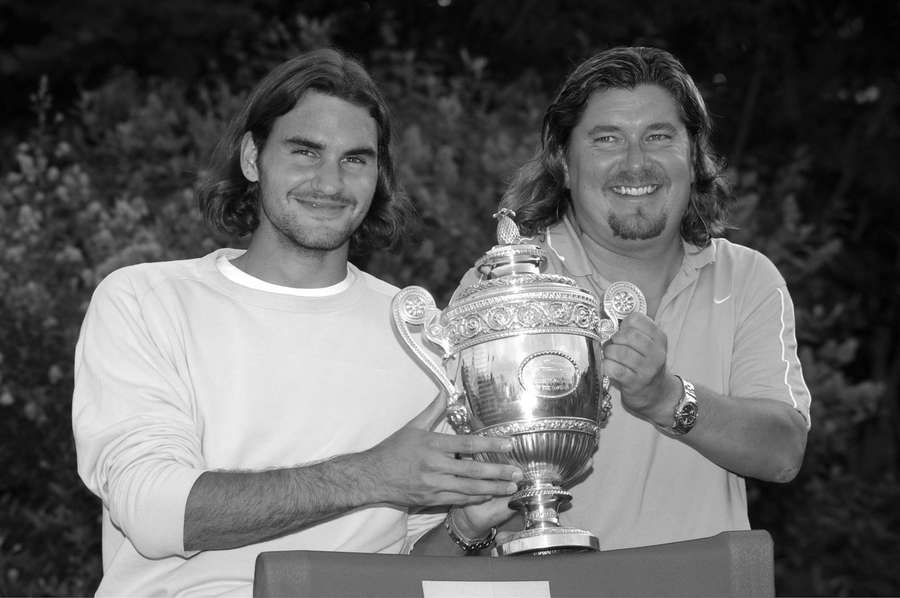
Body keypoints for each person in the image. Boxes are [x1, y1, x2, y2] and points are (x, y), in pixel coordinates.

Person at [72, 48, 522, 596]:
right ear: (251, 158)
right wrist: (370, 474)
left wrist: (466, 527)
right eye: (306, 152)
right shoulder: (145, 300)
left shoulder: (424, 333)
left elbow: (415, 562)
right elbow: (153, 508)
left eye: (355, 159)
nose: (329, 183)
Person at [418, 46, 812, 555]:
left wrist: (666, 398)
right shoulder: (500, 289)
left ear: (694, 157)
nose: (635, 162)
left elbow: (783, 451)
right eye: (607, 139)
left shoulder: (748, 277)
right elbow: (448, 483)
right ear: (563, 161)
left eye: (659, 136)